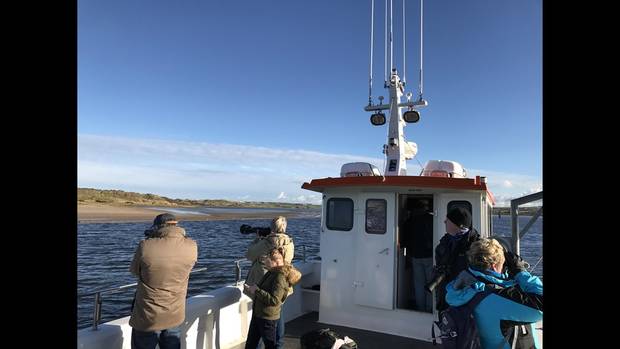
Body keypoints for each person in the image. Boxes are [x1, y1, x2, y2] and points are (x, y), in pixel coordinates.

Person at [445, 238, 543, 349]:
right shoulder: (496, 297)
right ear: (494, 266)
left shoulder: (461, 287)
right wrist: (520, 272)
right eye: (503, 263)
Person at [129, 213, 198, 349]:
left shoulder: (145, 245)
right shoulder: (192, 245)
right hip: (175, 313)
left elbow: (134, 271)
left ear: (157, 226)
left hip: (148, 315)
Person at [244, 216, 294, 349]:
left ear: (272, 227)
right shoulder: (289, 243)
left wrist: (258, 239)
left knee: (261, 317)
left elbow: (249, 254)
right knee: (278, 313)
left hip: (264, 283)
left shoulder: (267, 242)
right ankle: (279, 344)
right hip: (282, 282)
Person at [244, 248, 301, 349]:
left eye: (268, 260)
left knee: (270, 345)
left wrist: (257, 290)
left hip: (267, 317)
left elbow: (275, 300)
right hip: (259, 314)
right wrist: (254, 288)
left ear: (276, 262)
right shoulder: (271, 272)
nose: (265, 262)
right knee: (251, 343)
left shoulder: (280, 277)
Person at [431, 206, 480, 312]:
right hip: (445, 300)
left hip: (464, 304)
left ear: (459, 225)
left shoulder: (476, 246)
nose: (444, 222)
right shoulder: (444, 243)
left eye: (447, 220)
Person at [402, 199, 434, 312]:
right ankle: (430, 307)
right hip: (430, 256)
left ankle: (420, 308)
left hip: (415, 256)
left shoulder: (410, 221)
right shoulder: (431, 219)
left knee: (418, 284)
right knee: (431, 284)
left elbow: (404, 239)